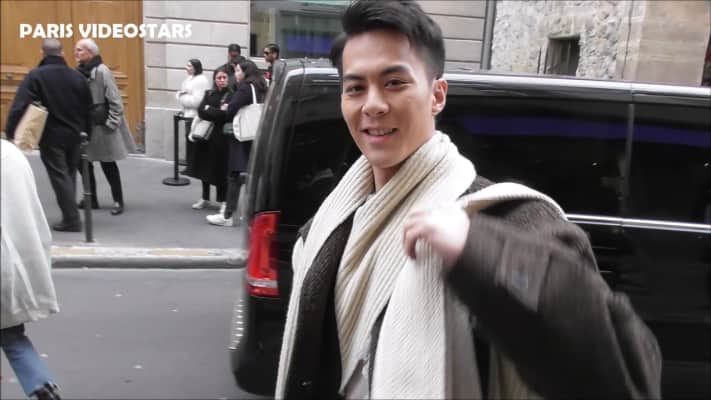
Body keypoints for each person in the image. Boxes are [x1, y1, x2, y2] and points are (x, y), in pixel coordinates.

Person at [274, 1, 662, 399]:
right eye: (356, 88)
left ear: (437, 95)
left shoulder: (505, 218)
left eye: (394, 82)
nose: (372, 104)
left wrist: (477, 250)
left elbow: (625, 376)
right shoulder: (328, 227)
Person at [3, 39, 91, 232]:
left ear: (42, 53)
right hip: (76, 134)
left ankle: (72, 219)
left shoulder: (36, 76)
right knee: (68, 174)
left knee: (59, 175)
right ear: (62, 54)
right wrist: (88, 134)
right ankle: (70, 216)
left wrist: (10, 132)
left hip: (52, 135)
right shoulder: (77, 77)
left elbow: (20, 105)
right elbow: (89, 107)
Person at [1, 139, 62, 400]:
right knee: (11, 335)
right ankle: (42, 388)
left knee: (10, 336)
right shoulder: (11, 155)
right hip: (14, 264)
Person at [74, 38, 136, 216]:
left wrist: (112, 123)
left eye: (80, 50)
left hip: (101, 126)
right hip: (85, 125)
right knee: (84, 163)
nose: (76, 53)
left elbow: (115, 100)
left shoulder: (102, 71)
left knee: (108, 164)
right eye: (76, 49)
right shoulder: (79, 71)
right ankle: (91, 198)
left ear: (90, 52)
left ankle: (118, 200)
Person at [207, 59, 267, 226]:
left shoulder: (246, 88)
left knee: (234, 175)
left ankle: (227, 216)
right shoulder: (262, 86)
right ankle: (252, 215)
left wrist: (227, 107)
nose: (236, 74)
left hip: (242, 136)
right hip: (256, 134)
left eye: (239, 71)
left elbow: (232, 109)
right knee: (253, 176)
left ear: (246, 73)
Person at [185, 66, 232, 211]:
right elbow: (200, 111)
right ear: (214, 79)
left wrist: (209, 110)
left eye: (224, 77)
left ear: (228, 79)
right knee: (204, 168)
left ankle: (223, 201)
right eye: (219, 78)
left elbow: (225, 115)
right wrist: (215, 111)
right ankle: (204, 198)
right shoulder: (209, 93)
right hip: (205, 136)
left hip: (221, 137)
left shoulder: (231, 95)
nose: (221, 80)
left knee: (220, 169)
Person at [176, 59, 211, 174]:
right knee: (189, 141)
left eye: (189, 66)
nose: (187, 68)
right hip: (188, 114)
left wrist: (182, 97)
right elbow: (182, 93)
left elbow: (197, 101)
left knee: (194, 141)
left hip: (195, 116)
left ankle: (194, 167)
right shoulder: (189, 79)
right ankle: (190, 165)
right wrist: (183, 96)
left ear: (196, 67)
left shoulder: (201, 80)